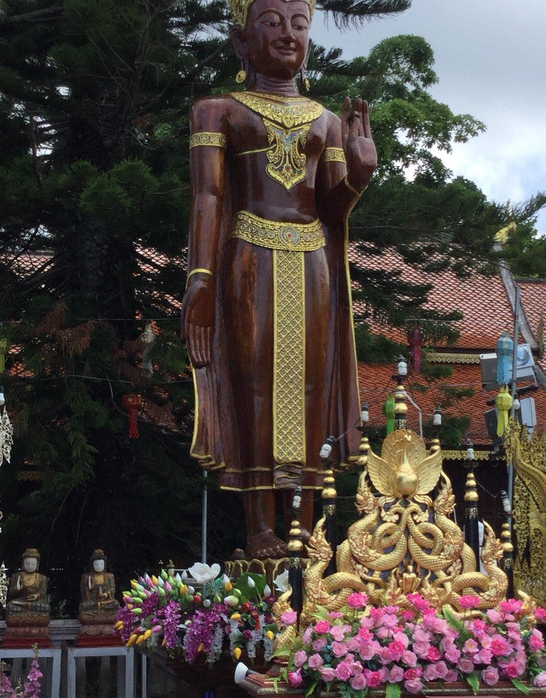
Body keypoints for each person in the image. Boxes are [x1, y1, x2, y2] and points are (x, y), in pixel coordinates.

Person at [181, 0, 376, 560]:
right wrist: (200, 280)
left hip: (312, 262)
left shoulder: (327, 121)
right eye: (270, 22)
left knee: (312, 391)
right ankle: (260, 529)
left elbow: (332, 209)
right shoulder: (217, 111)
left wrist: (358, 176)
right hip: (249, 259)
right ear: (241, 43)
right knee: (254, 388)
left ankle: (306, 528)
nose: (288, 34)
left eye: (298, 24)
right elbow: (208, 196)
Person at [5, 548, 51, 624]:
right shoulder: (17, 576)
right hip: (19, 602)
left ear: (37, 564)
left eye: (33, 564)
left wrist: (37, 596)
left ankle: (28, 611)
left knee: (46, 608)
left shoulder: (42, 578)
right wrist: (18, 589)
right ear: (23, 563)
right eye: (27, 563)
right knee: (10, 607)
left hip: (35, 603)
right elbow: (11, 594)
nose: (30, 566)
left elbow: (43, 593)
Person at [79, 549, 117, 618]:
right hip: (92, 602)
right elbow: (83, 594)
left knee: (115, 604)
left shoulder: (109, 576)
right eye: (96, 564)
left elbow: (112, 590)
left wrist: (106, 594)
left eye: (101, 564)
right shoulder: (87, 577)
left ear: (105, 565)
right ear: (92, 565)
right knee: (84, 606)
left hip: (105, 602)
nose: (99, 566)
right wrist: (88, 588)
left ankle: (100, 614)